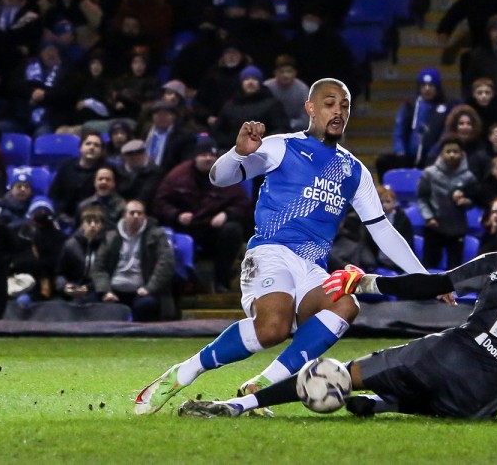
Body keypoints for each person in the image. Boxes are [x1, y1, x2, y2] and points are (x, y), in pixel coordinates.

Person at [179, 215, 497, 422]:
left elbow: (435, 284)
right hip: (479, 404)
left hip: (442, 357)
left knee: (339, 373)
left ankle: (237, 403)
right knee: (423, 400)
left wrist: (368, 283)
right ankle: (383, 404)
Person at [134, 78, 428, 416]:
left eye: (344, 106)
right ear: (311, 108)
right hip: (270, 252)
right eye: (330, 103)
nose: (338, 111)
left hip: (312, 266)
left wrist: (424, 278)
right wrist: (237, 153)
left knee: (346, 304)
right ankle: (182, 374)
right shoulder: (281, 146)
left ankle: (260, 385)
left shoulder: (354, 170)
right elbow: (220, 177)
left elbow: (383, 230)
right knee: (273, 328)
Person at [153, 136, 252, 293]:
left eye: (211, 155)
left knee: (233, 230)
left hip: (214, 229)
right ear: (195, 157)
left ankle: (222, 281)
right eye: (203, 155)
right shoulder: (178, 176)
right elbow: (160, 202)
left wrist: (227, 214)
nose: (208, 159)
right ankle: (185, 285)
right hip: (187, 228)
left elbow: (243, 204)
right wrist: (176, 215)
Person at [92, 199, 175, 321]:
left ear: (144, 217)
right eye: (132, 213)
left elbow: (166, 264)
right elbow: (99, 266)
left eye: (139, 213)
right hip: (113, 291)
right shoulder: (111, 237)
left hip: (142, 292)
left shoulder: (157, 236)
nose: (136, 216)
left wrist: (149, 288)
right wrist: (105, 291)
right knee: (89, 301)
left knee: (147, 305)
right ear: (125, 216)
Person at [416, 137, 478, 269]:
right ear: (441, 154)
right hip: (434, 227)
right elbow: (422, 198)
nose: (452, 155)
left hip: (457, 228)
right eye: (448, 151)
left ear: (462, 154)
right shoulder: (429, 174)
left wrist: (465, 201)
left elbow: (474, 200)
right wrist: (429, 217)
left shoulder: (469, 177)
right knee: (428, 268)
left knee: (455, 270)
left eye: (455, 151)